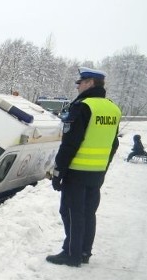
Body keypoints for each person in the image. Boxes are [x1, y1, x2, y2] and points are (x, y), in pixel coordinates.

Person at [47, 67, 122, 267]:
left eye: (80, 82)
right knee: (88, 213)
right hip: (96, 173)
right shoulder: (113, 109)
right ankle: (84, 252)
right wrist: (103, 168)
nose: (78, 85)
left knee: (71, 212)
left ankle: (71, 255)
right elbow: (114, 144)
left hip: (77, 172)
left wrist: (58, 172)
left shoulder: (83, 107)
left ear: (90, 83)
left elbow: (70, 144)